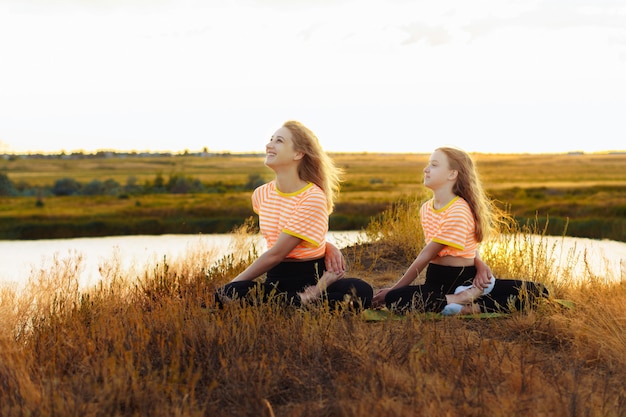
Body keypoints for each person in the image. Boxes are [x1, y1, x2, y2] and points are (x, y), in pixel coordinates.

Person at [214, 120, 373, 310]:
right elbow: (291, 236)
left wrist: (229, 285)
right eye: (271, 139)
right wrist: (229, 290)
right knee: (229, 295)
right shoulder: (261, 194)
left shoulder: (312, 197)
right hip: (276, 281)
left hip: (313, 278)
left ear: (298, 153)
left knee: (361, 291)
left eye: (279, 141)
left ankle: (309, 296)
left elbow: (277, 253)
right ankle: (300, 302)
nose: (269, 145)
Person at [372, 146, 548, 315]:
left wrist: (394, 289)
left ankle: (468, 305)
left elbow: (425, 255)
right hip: (435, 281)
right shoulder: (426, 209)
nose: (426, 169)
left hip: (466, 280)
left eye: (434, 165)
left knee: (539, 292)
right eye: (428, 164)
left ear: (452, 174)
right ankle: (457, 301)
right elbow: (453, 246)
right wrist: (394, 293)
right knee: (397, 299)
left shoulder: (459, 210)